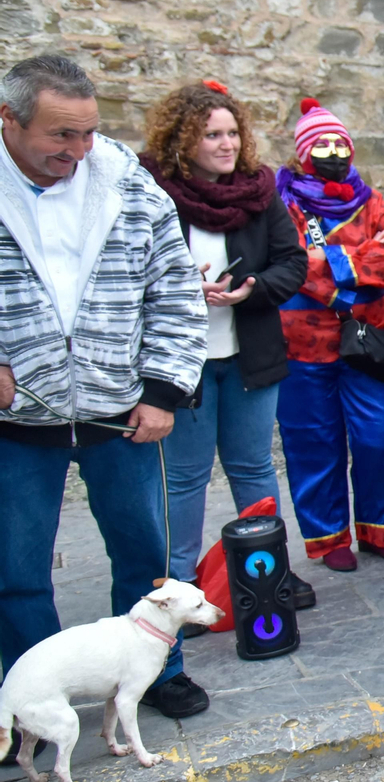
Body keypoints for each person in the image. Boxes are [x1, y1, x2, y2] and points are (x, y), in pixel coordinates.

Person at [0, 55, 209, 723]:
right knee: (15, 571)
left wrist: (163, 391)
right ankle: (31, 702)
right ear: (9, 120)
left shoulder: (130, 187)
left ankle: (156, 673)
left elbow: (175, 293)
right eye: (61, 134)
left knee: (145, 557)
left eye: (89, 132)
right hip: (17, 421)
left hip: (121, 413)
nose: (80, 149)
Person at [137, 81, 307, 606]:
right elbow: (129, 271)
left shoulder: (258, 193)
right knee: (185, 476)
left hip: (247, 357)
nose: (227, 144)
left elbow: (292, 263)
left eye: (232, 133)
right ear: (182, 139)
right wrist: (185, 290)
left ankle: (269, 570)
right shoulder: (151, 193)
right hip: (182, 364)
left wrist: (253, 289)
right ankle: (179, 584)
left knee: (253, 466)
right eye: (212, 135)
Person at [276, 99, 384, 571]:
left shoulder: (370, 200)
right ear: (303, 152)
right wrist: (358, 260)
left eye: (341, 143)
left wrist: (332, 261)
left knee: (381, 434)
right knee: (314, 440)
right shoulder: (285, 202)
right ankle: (328, 537)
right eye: (323, 144)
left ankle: (378, 529)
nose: (334, 152)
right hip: (303, 344)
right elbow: (294, 263)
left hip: (367, 339)